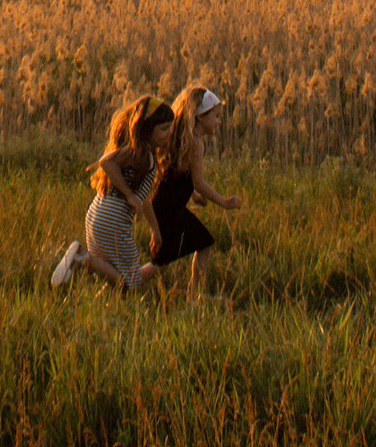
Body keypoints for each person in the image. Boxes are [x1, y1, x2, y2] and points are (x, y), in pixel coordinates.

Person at [50, 96, 174, 294]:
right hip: (113, 221)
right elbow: (106, 162)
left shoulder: (144, 154)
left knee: (116, 277)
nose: (169, 133)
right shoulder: (139, 152)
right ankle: (84, 258)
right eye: (164, 128)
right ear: (147, 129)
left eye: (170, 127)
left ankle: (90, 269)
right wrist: (129, 195)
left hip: (97, 215)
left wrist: (155, 231)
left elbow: (145, 199)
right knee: (132, 285)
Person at [150, 85, 245, 303]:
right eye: (216, 116)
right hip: (170, 209)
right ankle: (194, 297)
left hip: (164, 205)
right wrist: (225, 202)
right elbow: (199, 182)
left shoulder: (183, 138)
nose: (219, 122)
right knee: (198, 245)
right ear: (201, 117)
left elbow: (179, 175)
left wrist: (192, 196)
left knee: (173, 256)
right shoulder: (196, 143)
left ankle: (193, 295)